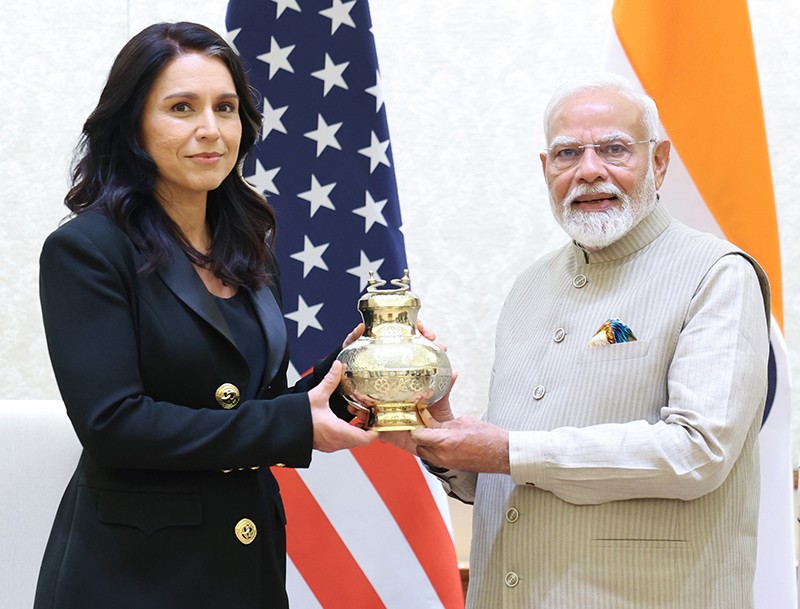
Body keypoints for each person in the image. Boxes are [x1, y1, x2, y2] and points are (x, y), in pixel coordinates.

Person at [34, 22, 376, 609]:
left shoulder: (251, 243)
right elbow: (115, 425)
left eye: (227, 108)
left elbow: (256, 402)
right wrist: (294, 425)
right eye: (181, 108)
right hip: (136, 574)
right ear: (133, 124)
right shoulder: (86, 250)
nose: (210, 130)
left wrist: (355, 372)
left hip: (246, 559)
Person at [404, 74, 771, 608]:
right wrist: (445, 438)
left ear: (660, 161)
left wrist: (507, 451)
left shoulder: (716, 274)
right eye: (567, 153)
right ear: (545, 169)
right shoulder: (530, 286)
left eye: (615, 149)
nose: (589, 170)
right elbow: (511, 477)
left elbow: (698, 452)